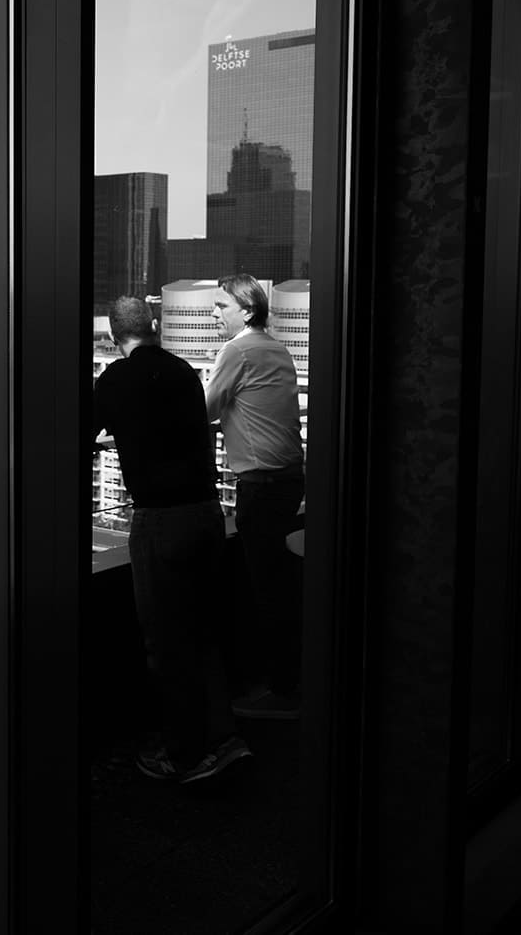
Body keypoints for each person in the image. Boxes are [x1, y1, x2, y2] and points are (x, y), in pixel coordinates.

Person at [94, 296, 251, 784]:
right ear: (156, 326)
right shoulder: (185, 372)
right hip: (206, 512)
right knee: (204, 630)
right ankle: (223, 736)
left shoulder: (116, 379)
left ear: (115, 338)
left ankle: (185, 754)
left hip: (161, 520)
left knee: (166, 638)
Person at [205, 273, 307, 720]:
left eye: (221, 306)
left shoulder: (237, 350)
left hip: (261, 486)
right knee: (282, 587)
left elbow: (205, 409)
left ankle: (281, 690)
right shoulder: (276, 347)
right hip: (290, 481)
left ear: (246, 310)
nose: (213, 314)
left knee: (267, 591)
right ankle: (290, 680)